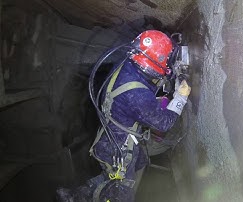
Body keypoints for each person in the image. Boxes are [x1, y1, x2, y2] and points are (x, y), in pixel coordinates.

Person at [57, 30, 191, 202]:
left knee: (132, 166)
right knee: (122, 190)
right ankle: (79, 198)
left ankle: (76, 195)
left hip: (109, 137)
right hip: (118, 151)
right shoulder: (136, 95)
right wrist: (181, 97)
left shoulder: (128, 63)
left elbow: (145, 86)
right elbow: (164, 123)